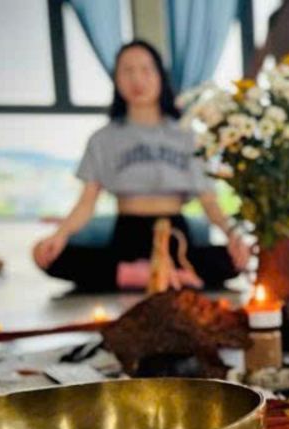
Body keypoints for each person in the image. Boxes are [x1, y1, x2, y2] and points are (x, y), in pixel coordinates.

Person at [33, 40, 249, 291]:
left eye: (146, 70)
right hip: (127, 233)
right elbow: (86, 203)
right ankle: (162, 275)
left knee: (233, 260)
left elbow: (209, 202)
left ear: (160, 76)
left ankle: (146, 274)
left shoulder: (187, 136)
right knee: (51, 258)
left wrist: (233, 235)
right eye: (127, 71)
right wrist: (58, 236)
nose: (137, 79)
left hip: (175, 234)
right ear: (116, 80)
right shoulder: (103, 139)